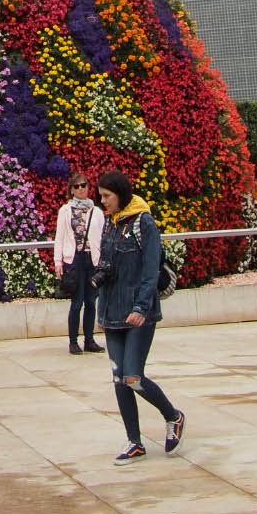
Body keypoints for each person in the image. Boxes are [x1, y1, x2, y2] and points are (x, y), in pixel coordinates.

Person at [95, 169, 184, 465]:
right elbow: (107, 266)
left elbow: (150, 271)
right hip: (112, 313)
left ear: (120, 193)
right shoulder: (110, 222)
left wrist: (141, 308)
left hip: (138, 314)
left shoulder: (142, 222)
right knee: (119, 379)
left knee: (133, 376)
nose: (103, 201)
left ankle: (173, 416)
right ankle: (135, 442)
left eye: (107, 196)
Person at [53, 173, 104, 354]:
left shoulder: (96, 211)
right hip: (74, 259)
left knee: (91, 301)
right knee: (77, 301)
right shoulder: (65, 211)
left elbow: (102, 237)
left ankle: (89, 340)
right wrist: (58, 261)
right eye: (77, 186)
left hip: (93, 259)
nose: (81, 189)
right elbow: (59, 237)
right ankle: (73, 341)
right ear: (72, 190)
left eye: (84, 185)